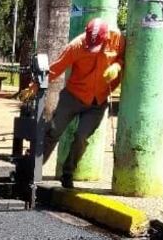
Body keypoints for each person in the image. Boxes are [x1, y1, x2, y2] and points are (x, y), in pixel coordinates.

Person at [42, 18, 125, 189]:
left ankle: (68, 172)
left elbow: (123, 58)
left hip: (97, 101)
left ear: (106, 37)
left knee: (81, 137)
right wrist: (35, 86)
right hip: (73, 96)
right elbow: (56, 68)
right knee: (53, 131)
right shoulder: (76, 45)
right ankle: (34, 169)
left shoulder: (117, 40)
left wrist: (116, 67)